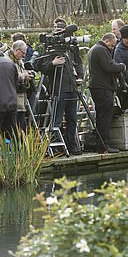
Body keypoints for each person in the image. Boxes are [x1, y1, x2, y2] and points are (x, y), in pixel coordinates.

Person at [40, 18, 85, 156]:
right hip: (58, 88)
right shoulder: (50, 46)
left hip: (72, 87)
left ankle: (72, 146)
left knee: (72, 119)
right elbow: (42, 67)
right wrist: (53, 63)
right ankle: (53, 147)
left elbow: (78, 62)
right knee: (56, 120)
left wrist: (80, 77)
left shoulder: (71, 46)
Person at [88, 33, 126, 153]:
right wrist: (121, 67)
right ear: (107, 41)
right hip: (102, 87)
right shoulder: (100, 49)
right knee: (105, 117)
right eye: (112, 46)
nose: (112, 48)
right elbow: (108, 66)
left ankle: (101, 144)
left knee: (101, 115)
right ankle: (104, 145)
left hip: (98, 86)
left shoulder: (94, 49)